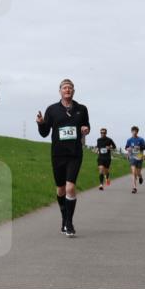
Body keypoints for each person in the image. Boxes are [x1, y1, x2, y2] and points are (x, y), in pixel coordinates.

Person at [36, 80, 90, 235]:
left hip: (75, 154)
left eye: (70, 88)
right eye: (65, 88)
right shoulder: (52, 110)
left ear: (74, 91)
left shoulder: (82, 109)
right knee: (60, 190)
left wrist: (86, 129)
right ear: (60, 91)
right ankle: (64, 218)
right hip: (58, 154)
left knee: (70, 187)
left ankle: (69, 223)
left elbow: (86, 126)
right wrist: (40, 123)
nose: (67, 90)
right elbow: (45, 133)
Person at [124, 126, 145, 194]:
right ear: (131, 131)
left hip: (139, 157)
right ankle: (134, 187)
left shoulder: (141, 139)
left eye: (136, 131)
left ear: (137, 132)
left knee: (138, 173)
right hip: (132, 157)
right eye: (133, 131)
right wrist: (128, 149)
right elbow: (126, 147)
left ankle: (140, 177)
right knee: (133, 172)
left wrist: (140, 147)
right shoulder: (129, 140)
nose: (134, 132)